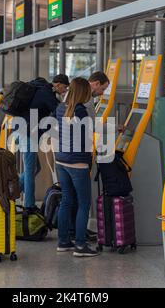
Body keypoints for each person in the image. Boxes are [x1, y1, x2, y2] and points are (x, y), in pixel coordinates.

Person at [55, 77, 98, 257]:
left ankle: (63, 242)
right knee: (83, 203)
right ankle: (80, 245)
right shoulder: (81, 112)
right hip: (78, 163)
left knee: (66, 201)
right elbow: (88, 136)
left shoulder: (60, 108)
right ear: (83, 93)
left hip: (61, 161)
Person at [18, 75, 65, 211]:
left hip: (25, 131)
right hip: (27, 134)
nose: (65, 90)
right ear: (58, 84)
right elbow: (59, 111)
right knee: (30, 169)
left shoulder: (42, 90)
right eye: (64, 87)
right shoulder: (47, 93)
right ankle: (29, 205)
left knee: (35, 168)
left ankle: (10, 190)